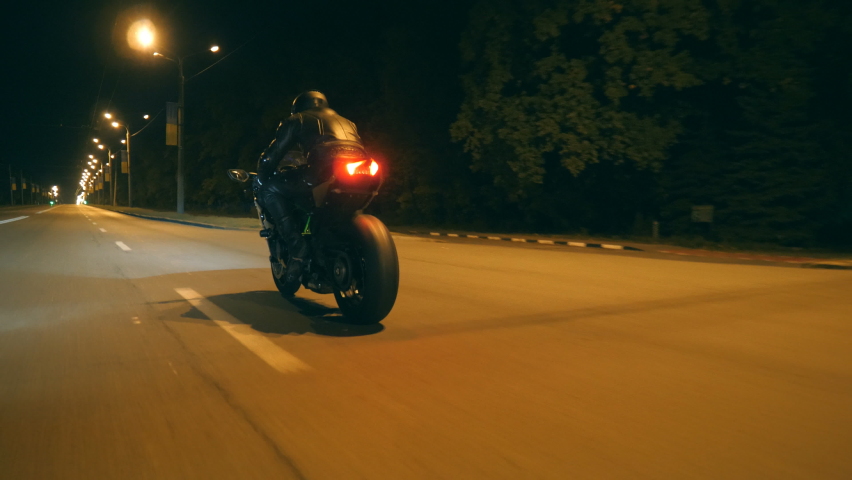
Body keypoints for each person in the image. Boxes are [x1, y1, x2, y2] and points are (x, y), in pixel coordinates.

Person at [256, 90, 366, 286]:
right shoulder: (348, 122)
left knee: (270, 189)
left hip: (322, 172)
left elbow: (275, 153)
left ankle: (297, 247)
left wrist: (263, 175)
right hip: (362, 169)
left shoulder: (297, 119)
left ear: (298, 107)